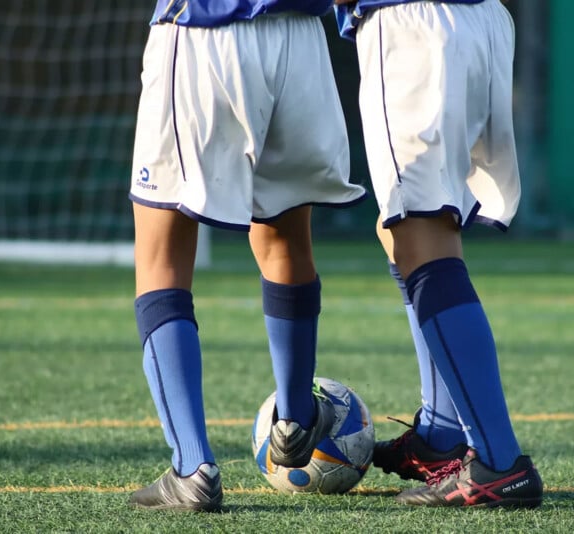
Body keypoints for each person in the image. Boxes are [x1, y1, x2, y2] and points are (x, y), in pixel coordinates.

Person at [127, 0, 365, 512]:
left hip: (205, 29)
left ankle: (193, 467)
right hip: (301, 39)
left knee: (161, 255)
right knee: (284, 237)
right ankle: (296, 420)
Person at [334, 0, 543, 508]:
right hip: (478, 20)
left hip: (412, 24)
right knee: (408, 228)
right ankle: (442, 434)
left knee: (420, 235)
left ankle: (498, 463)